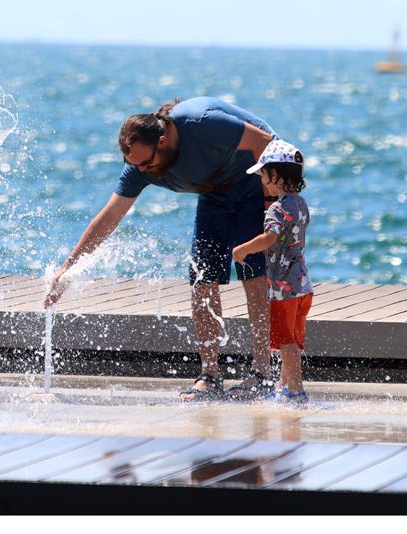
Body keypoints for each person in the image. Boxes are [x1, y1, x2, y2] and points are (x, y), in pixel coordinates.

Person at [44, 96, 279, 401]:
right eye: (134, 165)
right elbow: (109, 217)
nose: (142, 170)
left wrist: (271, 202)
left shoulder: (202, 122)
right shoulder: (140, 167)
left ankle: (262, 373)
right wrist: (68, 269)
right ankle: (210, 374)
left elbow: (266, 141)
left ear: (164, 141)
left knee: (253, 273)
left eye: (146, 162)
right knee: (202, 278)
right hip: (215, 192)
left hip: (255, 182)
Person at [232, 139, 313, 406]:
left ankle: (296, 391)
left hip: (283, 287)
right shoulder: (300, 205)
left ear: (275, 175)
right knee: (293, 340)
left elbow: (269, 237)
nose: (262, 180)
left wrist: (243, 249)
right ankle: (283, 385)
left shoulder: (277, 209)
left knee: (284, 341)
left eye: (264, 174)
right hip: (302, 285)